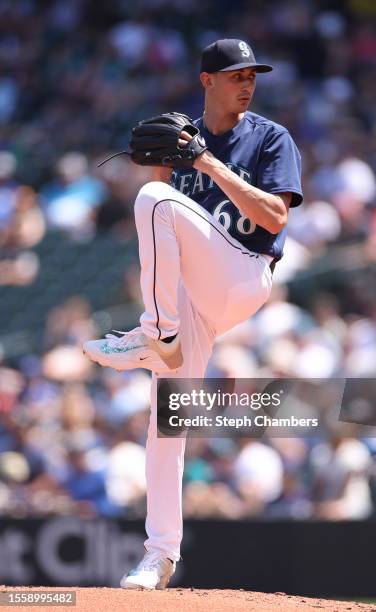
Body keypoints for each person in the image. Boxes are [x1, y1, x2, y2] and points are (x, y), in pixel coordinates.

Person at [83, 38, 303, 589]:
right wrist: (163, 166)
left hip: (243, 275)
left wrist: (203, 162)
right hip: (192, 298)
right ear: (207, 80)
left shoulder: (270, 137)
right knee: (167, 418)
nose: (247, 82)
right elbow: (162, 226)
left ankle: (155, 334)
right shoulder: (183, 135)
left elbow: (275, 217)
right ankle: (159, 555)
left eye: (252, 74)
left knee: (151, 202)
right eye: (235, 75)